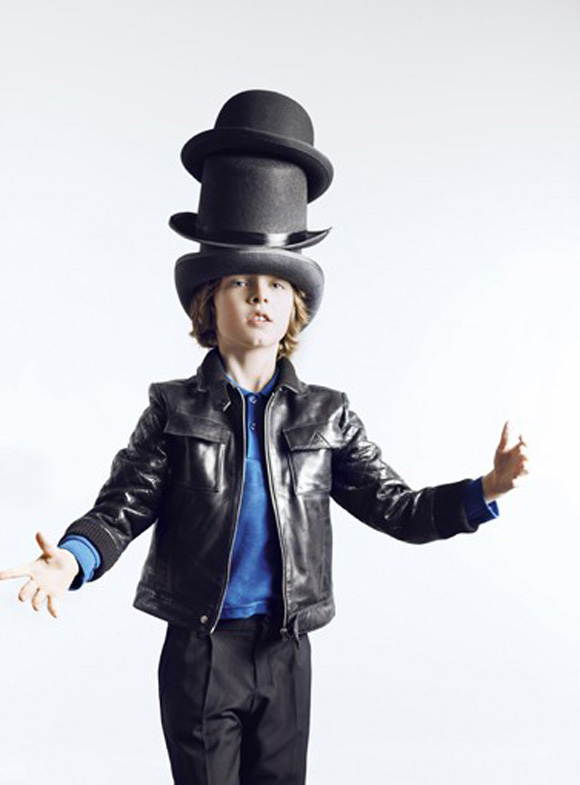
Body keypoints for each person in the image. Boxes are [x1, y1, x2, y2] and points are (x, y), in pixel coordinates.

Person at [0, 90, 529, 785]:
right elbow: (121, 508)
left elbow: (396, 508)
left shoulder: (328, 415)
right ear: (208, 303)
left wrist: (484, 490)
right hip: (201, 647)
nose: (260, 295)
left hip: (286, 648)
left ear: (293, 307)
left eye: (275, 285)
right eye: (241, 282)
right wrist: (70, 561)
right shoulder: (172, 409)